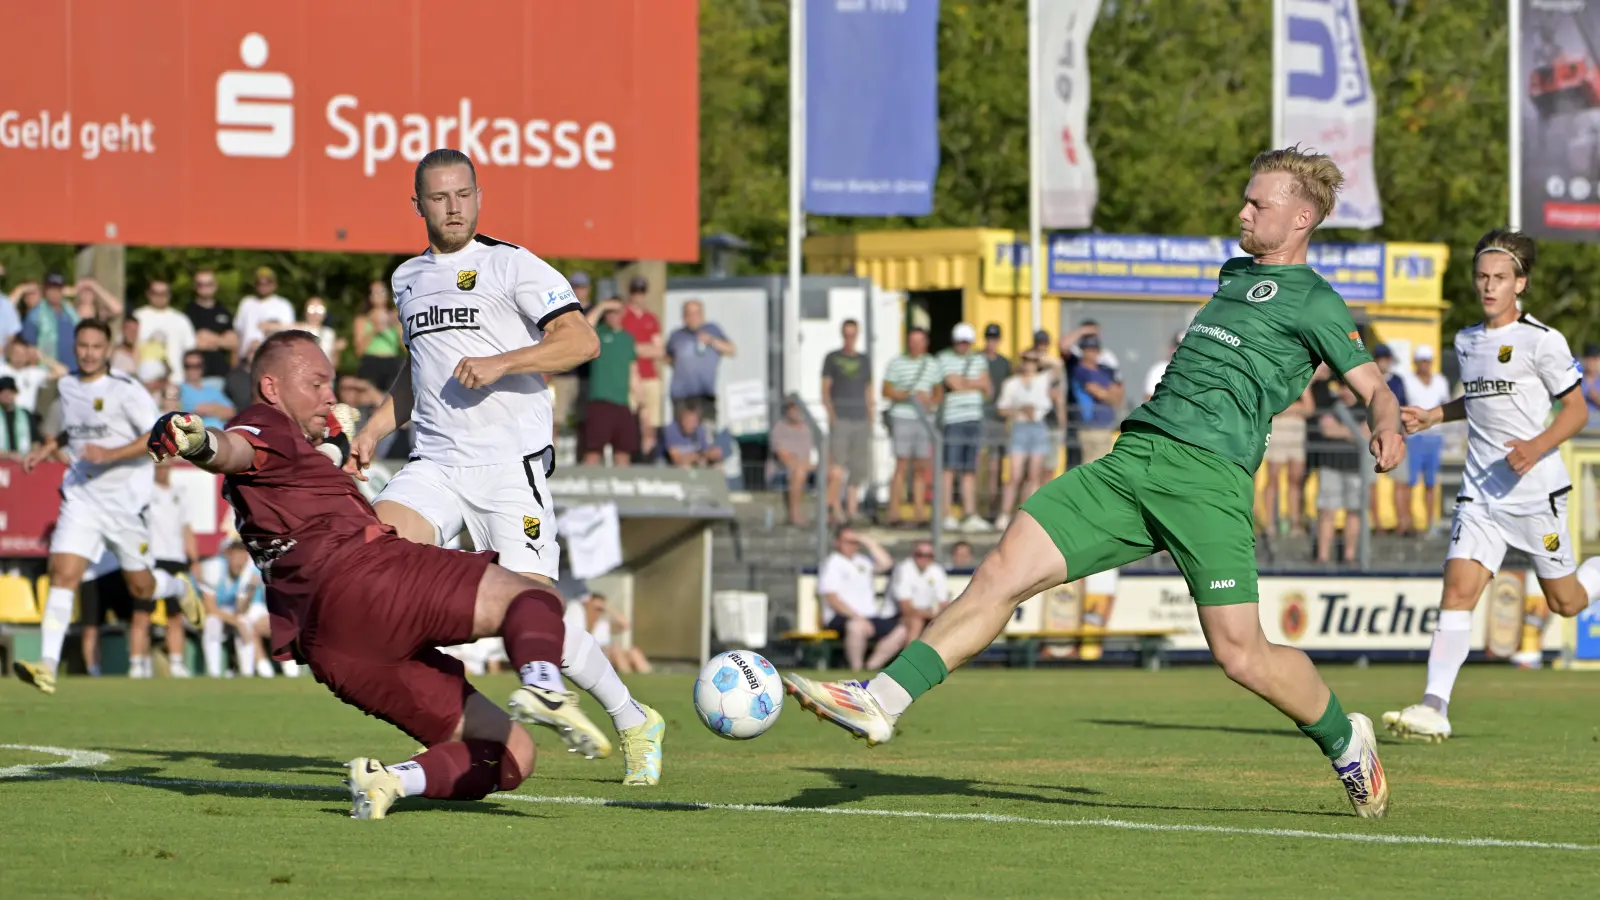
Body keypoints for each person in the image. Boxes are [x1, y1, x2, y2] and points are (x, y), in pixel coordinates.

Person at [784, 147, 1400, 819]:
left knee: (1243, 655)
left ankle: (1345, 739)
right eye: (1245, 199)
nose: (1243, 212)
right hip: (1131, 459)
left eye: (1260, 203)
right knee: (1000, 572)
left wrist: (1388, 423)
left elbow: (1373, 386)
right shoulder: (1234, 274)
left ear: (1303, 216)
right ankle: (881, 701)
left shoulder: (1315, 299)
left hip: (1208, 481)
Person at [149, 329, 596, 819]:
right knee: (531, 597)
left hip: (334, 647)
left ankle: (390, 781)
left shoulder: (293, 453)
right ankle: (543, 684)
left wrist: (336, 442)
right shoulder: (262, 423)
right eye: (317, 383)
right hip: (366, 577)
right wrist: (195, 440)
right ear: (272, 388)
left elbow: (301, 462)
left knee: (511, 755)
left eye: (331, 383)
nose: (330, 395)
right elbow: (231, 448)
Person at [345, 149, 664, 786]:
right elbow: (422, 368)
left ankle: (632, 718)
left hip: (505, 466)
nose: (454, 206)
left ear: (479, 195)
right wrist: (378, 427)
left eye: (463, 194)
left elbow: (581, 341)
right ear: (418, 206)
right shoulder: (407, 278)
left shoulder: (511, 263)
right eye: (439, 197)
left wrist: (503, 362)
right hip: (434, 463)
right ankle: (464, 708)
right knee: (368, 564)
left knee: (536, 607)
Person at [1384, 229, 1600, 743]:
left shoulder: (1543, 341)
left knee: (1566, 603)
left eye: (1499, 278)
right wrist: (1436, 414)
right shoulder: (1466, 340)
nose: (1488, 286)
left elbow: (1575, 410)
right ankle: (1435, 705)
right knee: (1458, 589)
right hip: (1480, 492)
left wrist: (1536, 446)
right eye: (1482, 277)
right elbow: (1478, 399)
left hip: (1535, 494)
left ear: (1519, 283)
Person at [12, 320, 198, 694]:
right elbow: (77, 428)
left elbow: (157, 433)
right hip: (82, 496)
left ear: (108, 349)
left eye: (96, 346)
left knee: (141, 587)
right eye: (82, 345)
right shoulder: (65, 385)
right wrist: (47, 449)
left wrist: (111, 454)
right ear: (75, 347)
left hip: (125, 503)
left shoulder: (126, 390)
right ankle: (47, 665)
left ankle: (176, 588)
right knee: (63, 573)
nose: (88, 352)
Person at [817, 528, 904, 671]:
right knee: (856, 626)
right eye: (848, 541)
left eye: (855, 542)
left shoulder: (863, 561)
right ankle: (856, 668)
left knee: (902, 630)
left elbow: (887, 564)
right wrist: (858, 617)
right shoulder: (832, 563)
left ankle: (871, 667)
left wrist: (866, 540)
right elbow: (832, 599)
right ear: (837, 543)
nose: (852, 545)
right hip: (841, 616)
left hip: (869, 616)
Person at [141, 461, 197, 679]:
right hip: (153, 559)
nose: (162, 471)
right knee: (144, 613)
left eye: (165, 467)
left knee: (175, 614)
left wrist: (193, 560)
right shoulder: (144, 492)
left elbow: (187, 528)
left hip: (176, 559)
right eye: (158, 467)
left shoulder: (179, 493)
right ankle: (141, 663)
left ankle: (176, 662)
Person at [882, 327, 942, 527]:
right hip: (902, 416)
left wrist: (929, 400)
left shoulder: (932, 365)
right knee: (901, 464)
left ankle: (919, 512)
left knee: (921, 466)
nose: (915, 345)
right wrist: (907, 395)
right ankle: (894, 512)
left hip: (925, 418)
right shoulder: (896, 363)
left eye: (919, 341)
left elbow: (938, 394)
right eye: (912, 341)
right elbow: (887, 390)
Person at [938, 322, 992, 532]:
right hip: (953, 418)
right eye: (960, 342)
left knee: (970, 468)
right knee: (949, 467)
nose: (964, 346)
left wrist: (966, 383)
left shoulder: (978, 359)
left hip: (974, 417)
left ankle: (969, 513)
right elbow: (953, 383)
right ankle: (946, 513)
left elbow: (987, 387)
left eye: (967, 342)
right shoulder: (944, 358)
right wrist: (974, 383)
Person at [995, 352, 1059, 528]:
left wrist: (1042, 357)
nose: (1029, 363)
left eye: (1033, 361)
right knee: (1014, 474)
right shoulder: (1011, 383)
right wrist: (1019, 410)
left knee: (1033, 475)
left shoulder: (1042, 379)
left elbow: (1057, 365)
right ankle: (1004, 513)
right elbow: (1001, 409)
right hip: (1020, 427)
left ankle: (1025, 515)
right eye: (1026, 360)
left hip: (1038, 427)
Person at [821, 319, 873, 524]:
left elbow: (868, 388)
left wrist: (871, 416)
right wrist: (832, 415)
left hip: (861, 418)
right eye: (847, 334)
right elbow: (825, 390)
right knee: (838, 466)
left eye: (853, 334)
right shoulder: (832, 358)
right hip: (841, 418)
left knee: (859, 467)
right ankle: (834, 508)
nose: (850, 338)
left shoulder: (864, 360)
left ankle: (852, 508)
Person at [196, 536, 268, 678]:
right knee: (212, 624)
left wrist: (250, 591)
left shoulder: (248, 571)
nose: (240, 562)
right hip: (197, 611)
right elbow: (209, 608)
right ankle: (214, 674)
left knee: (244, 623)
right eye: (236, 556)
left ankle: (247, 674)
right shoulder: (213, 569)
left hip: (227, 611)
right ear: (227, 555)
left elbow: (241, 608)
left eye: (244, 556)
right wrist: (235, 621)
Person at [581, 298, 640, 465]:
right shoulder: (598, 333)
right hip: (600, 401)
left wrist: (642, 403)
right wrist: (602, 306)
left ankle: (623, 490)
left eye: (616, 312)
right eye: (609, 312)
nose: (613, 316)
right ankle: (585, 488)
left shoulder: (628, 339)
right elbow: (581, 330)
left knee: (623, 454)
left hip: (622, 403)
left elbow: (633, 373)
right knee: (593, 452)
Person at [1400, 345, 1452, 534]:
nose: (1425, 364)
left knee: (1431, 483)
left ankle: (1431, 524)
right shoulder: (1407, 380)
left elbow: (1446, 405)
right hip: (1414, 437)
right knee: (1410, 482)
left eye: (1427, 360)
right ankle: (1409, 522)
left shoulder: (1440, 381)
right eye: (1422, 360)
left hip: (1435, 436)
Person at [665, 299, 734, 423]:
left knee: (707, 434)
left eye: (696, 314)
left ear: (702, 315)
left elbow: (731, 350)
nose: (693, 318)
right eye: (689, 314)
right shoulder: (677, 335)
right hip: (681, 396)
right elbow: (667, 357)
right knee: (683, 437)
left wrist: (712, 341)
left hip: (705, 394)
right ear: (683, 317)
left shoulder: (712, 330)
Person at [619, 277, 665, 458]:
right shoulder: (623, 316)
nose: (638, 296)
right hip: (629, 375)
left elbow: (659, 351)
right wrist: (644, 349)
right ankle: (631, 456)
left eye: (641, 292)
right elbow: (622, 348)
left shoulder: (651, 318)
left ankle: (649, 457)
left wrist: (636, 348)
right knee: (630, 421)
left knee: (651, 421)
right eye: (635, 292)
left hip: (649, 375)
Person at [1260, 386, 1314, 538]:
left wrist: (1287, 409)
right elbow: (1272, 408)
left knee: (1295, 480)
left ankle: (1294, 523)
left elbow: (1309, 408)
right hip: (1279, 434)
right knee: (1273, 479)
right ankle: (1269, 522)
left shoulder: (1302, 381)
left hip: (1296, 435)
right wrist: (1297, 409)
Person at [1370, 344, 1412, 535]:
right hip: (1374, 436)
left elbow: (1403, 406)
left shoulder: (1397, 381)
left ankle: (1403, 522)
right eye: (1381, 358)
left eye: (1387, 358)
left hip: (1395, 436)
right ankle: (1376, 523)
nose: (1384, 362)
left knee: (1400, 483)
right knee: (1371, 483)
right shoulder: (1369, 380)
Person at [978, 324, 1014, 520]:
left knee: (997, 466)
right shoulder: (977, 360)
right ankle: (982, 507)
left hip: (1000, 420)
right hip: (981, 417)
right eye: (989, 338)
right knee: (982, 465)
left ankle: (994, 508)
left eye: (995, 338)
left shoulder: (1004, 363)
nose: (992, 342)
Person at [889, 540, 949, 643]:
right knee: (916, 622)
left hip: (926, 614)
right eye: (920, 554)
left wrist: (934, 614)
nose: (924, 558)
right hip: (895, 616)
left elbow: (943, 603)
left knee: (946, 621)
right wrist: (933, 613)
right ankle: (911, 658)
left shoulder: (937, 570)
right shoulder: (903, 569)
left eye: (929, 555)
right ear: (913, 554)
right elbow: (906, 609)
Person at [767, 398, 815, 526]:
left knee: (836, 472)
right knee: (798, 471)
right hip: (781, 473)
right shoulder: (779, 428)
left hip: (805, 468)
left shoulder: (807, 429)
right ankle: (794, 515)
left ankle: (831, 513)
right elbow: (784, 458)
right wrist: (803, 465)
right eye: (792, 408)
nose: (795, 411)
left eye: (797, 408)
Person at [132, 279, 197, 371]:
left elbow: (190, 349)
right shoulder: (137, 316)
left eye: (163, 293)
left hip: (175, 378)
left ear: (169, 295)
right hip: (143, 378)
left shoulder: (181, 319)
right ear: (148, 294)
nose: (159, 297)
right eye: (155, 293)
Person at [233, 267, 296, 363]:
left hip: (272, 360)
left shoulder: (283, 305)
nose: (263, 285)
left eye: (267, 282)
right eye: (259, 283)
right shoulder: (246, 303)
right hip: (246, 360)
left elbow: (290, 334)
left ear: (275, 284)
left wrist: (272, 326)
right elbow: (237, 334)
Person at [353, 280, 403, 394]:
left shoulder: (396, 316)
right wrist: (375, 329)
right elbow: (359, 351)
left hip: (392, 363)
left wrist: (397, 325)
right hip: (371, 363)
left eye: (382, 291)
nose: (378, 295)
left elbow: (405, 347)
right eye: (374, 292)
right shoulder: (362, 319)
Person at [186, 267, 237, 379]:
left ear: (215, 286)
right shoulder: (189, 312)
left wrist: (210, 338)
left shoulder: (223, 310)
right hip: (198, 378)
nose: (205, 288)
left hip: (223, 375)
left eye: (209, 284)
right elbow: (198, 342)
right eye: (201, 284)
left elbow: (233, 342)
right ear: (195, 287)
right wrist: (221, 340)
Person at [177, 350, 236, 430]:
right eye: (189, 366)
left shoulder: (213, 390)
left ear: (203, 367)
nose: (193, 369)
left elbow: (231, 412)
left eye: (197, 365)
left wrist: (209, 408)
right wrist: (217, 408)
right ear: (184, 367)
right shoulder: (179, 390)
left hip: (221, 433)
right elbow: (195, 412)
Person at [661, 399, 722, 468]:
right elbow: (676, 458)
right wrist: (695, 457)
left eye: (694, 421)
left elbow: (707, 452)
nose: (690, 424)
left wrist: (710, 454)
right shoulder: (672, 430)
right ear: (681, 419)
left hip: (696, 465)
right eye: (688, 420)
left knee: (718, 465)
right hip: (672, 469)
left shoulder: (699, 430)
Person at [0, 375, 41, 458]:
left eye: (10, 392)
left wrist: (32, 455)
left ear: (15, 393)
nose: (6, 395)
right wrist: (8, 455)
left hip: (23, 462)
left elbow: (35, 441)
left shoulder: (26, 415)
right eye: (3, 392)